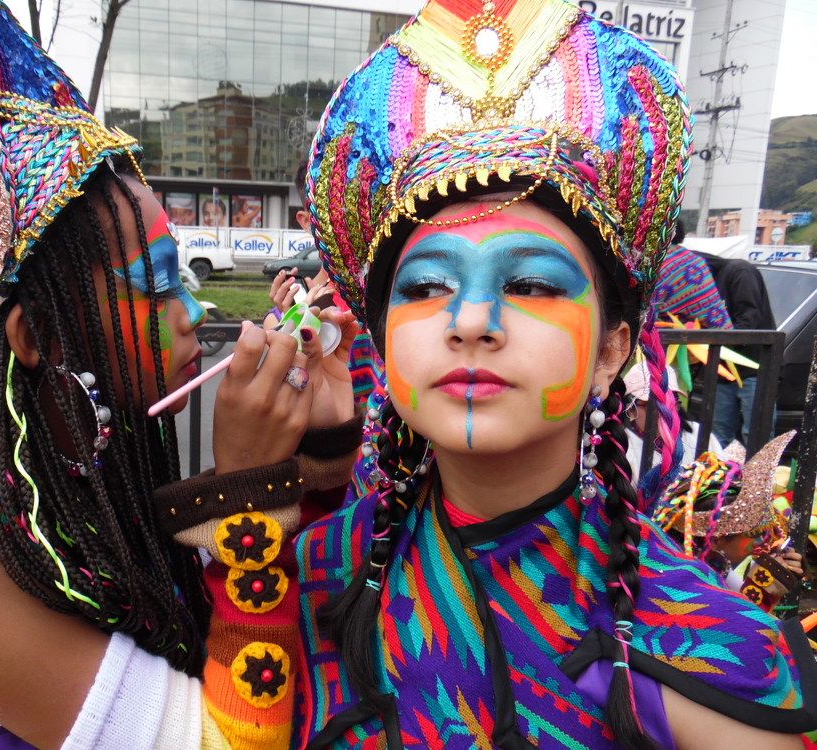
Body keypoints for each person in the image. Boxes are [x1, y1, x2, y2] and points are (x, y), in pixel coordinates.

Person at [0, 2, 360, 747]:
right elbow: (233, 739)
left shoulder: (87, 479)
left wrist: (319, 451)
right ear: (36, 337)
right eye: (157, 283)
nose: (192, 311)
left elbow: (293, 624)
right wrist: (244, 491)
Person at [295, 0, 817, 747]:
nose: (471, 319)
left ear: (612, 350)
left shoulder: (708, 652)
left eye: (533, 284)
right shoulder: (312, 574)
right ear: (382, 343)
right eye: (426, 286)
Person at [654, 432, 805, 614]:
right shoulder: (680, 577)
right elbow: (738, 620)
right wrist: (764, 586)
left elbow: (739, 599)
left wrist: (775, 575)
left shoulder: (712, 562)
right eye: (753, 534)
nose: (762, 543)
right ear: (716, 539)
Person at [701, 253, 778, 446]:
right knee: (718, 438)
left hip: (754, 367)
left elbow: (749, 319)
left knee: (756, 438)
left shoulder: (739, 272)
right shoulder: (709, 282)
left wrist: (713, 341)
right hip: (723, 370)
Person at [623, 362, 723, 482]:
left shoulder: (698, 433)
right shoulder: (624, 446)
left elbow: (722, 476)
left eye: (669, 403)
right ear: (631, 409)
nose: (662, 413)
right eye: (651, 406)